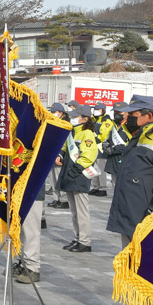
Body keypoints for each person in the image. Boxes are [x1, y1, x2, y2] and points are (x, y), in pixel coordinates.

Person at [106, 95, 153, 305]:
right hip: (131, 215)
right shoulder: (139, 137)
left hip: (148, 218)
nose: (127, 117)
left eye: (133, 114)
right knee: (136, 269)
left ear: (149, 115)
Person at [56, 105, 100, 253]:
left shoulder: (87, 134)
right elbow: (65, 148)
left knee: (81, 211)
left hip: (79, 175)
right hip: (70, 174)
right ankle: (77, 238)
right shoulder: (73, 132)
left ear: (84, 119)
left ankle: (85, 241)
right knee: (74, 211)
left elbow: (89, 156)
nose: (72, 118)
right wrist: (60, 155)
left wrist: (75, 170)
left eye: (76, 116)